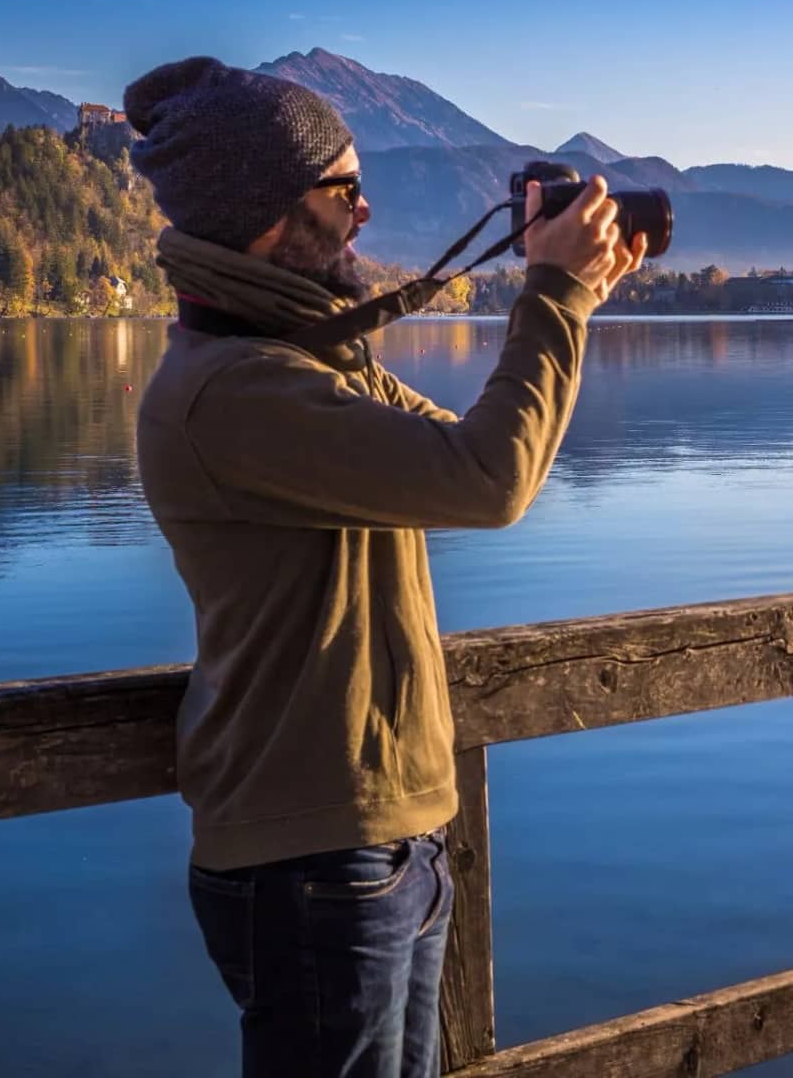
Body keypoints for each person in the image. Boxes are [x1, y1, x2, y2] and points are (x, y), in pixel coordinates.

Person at [126, 57, 644, 1077]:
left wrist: (565, 287)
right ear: (270, 215)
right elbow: (490, 479)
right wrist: (556, 294)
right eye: (342, 188)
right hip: (313, 860)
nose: (366, 210)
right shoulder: (235, 393)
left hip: (382, 843)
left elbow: (473, 456)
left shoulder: (303, 364)